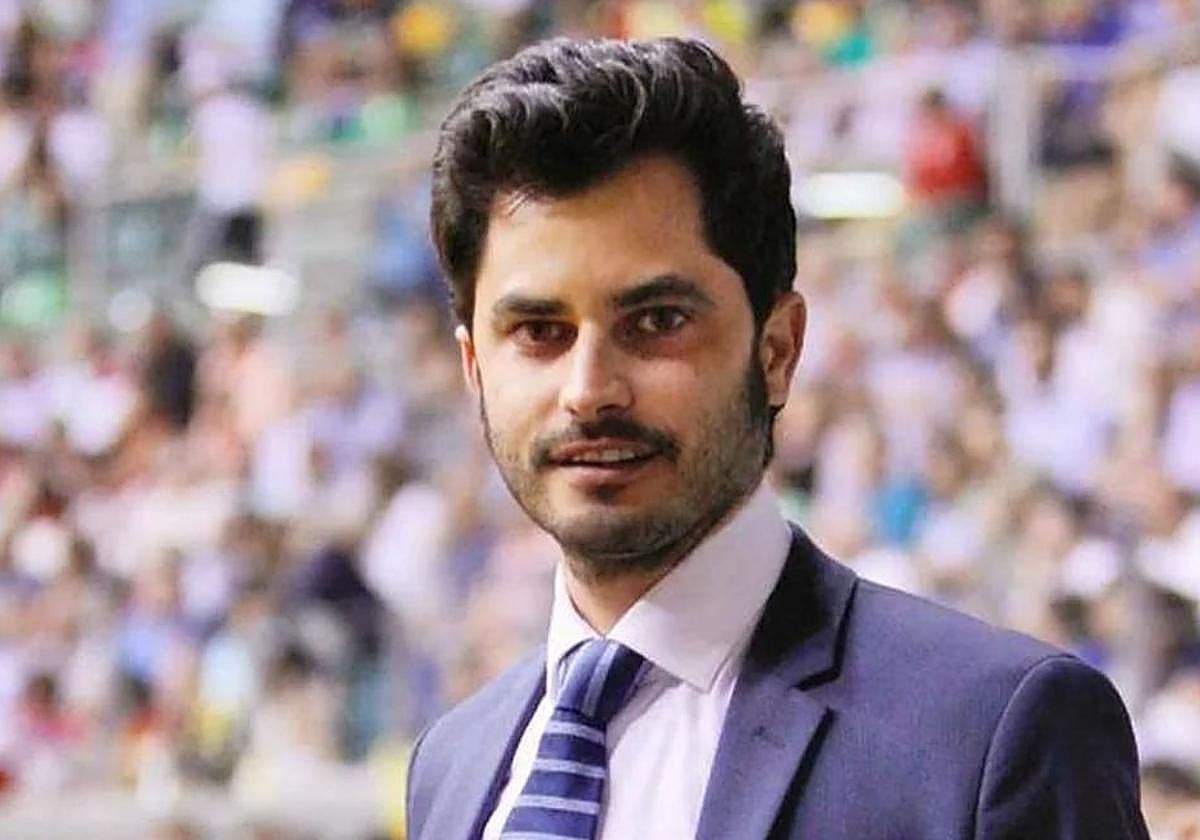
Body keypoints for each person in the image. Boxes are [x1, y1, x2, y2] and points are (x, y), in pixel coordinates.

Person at [406, 37, 1150, 840]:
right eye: (539, 331)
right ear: (474, 367)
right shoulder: (453, 764)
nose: (589, 390)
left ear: (777, 350)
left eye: (656, 321)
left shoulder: (993, 737)